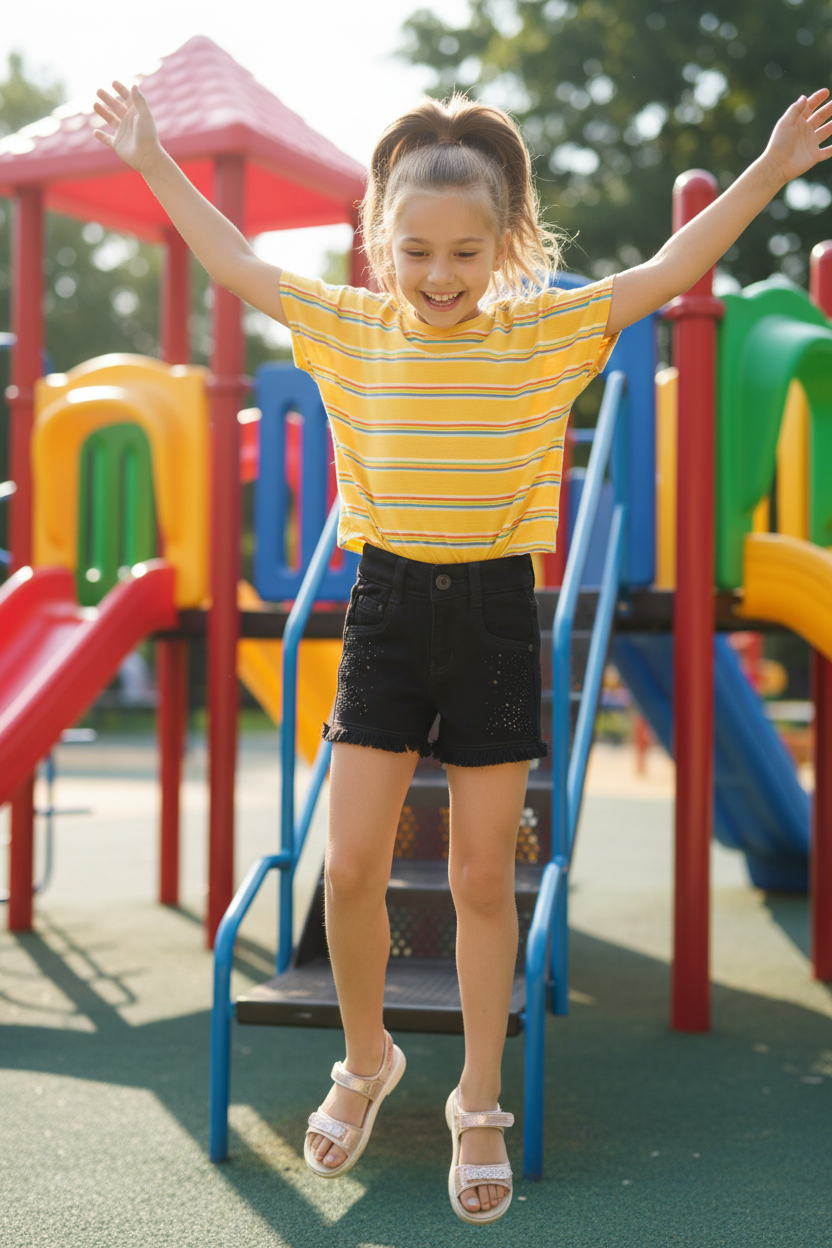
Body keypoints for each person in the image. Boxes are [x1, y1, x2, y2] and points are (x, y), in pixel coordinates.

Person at [94, 79, 831, 1225]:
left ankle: (476, 1099)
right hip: (384, 612)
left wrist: (771, 170)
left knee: (485, 878)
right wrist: (148, 157)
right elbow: (235, 265)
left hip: (493, 613)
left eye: (466, 252)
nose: (439, 276)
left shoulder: (545, 332)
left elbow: (670, 270)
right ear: (377, 242)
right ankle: (366, 1059)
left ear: (505, 246)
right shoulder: (347, 325)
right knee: (347, 871)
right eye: (417, 251)